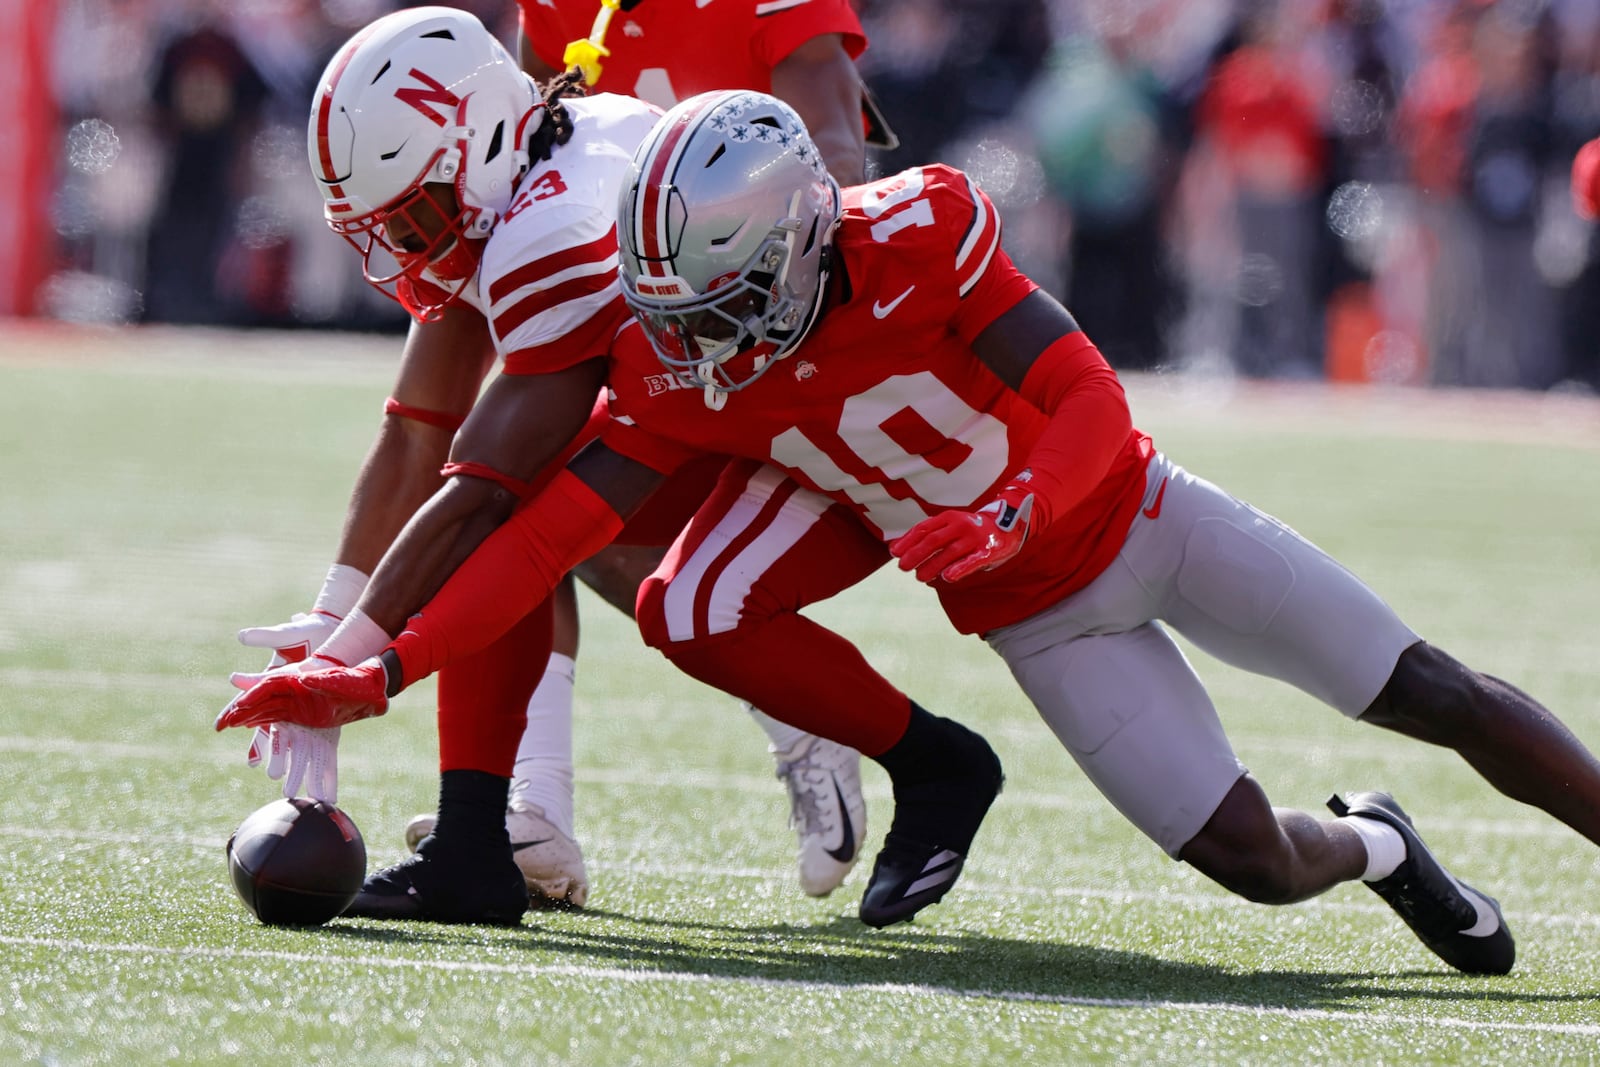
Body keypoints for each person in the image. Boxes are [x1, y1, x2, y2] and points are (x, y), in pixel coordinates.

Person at [224, 89, 1600, 974]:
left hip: (1148, 519)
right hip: (1041, 624)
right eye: (669, 311)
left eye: (712, 302)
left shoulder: (918, 233)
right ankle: (1377, 843)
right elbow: (534, 537)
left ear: (795, 243)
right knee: (1257, 862)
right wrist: (380, 667)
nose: (689, 343)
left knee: (1429, 687)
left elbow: (1081, 391)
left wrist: (1022, 505)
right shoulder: (671, 370)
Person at [233, 7, 872, 914]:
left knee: (531, 500)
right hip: (651, 359)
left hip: (774, 375)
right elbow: (419, 421)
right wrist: (335, 609)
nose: (405, 252)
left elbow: (837, 164)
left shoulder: (544, 216)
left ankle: (804, 716)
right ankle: (521, 820)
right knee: (532, 488)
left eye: (412, 219)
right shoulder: (516, 149)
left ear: (480, 139)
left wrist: (352, 659)